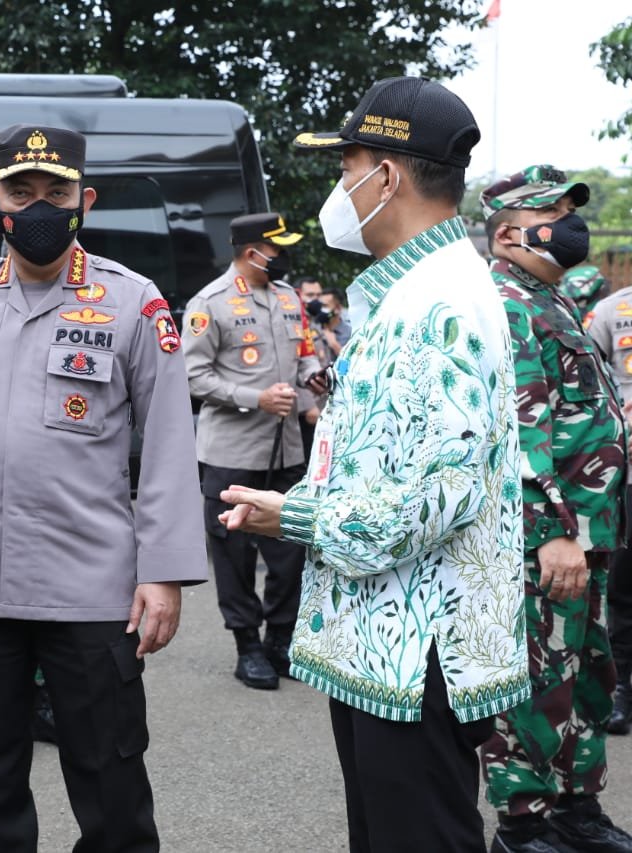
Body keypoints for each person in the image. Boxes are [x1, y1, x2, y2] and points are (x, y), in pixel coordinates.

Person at [0, 123, 206, 852]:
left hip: (91, 590)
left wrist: (164, 571)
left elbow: (170, 446)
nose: (38, 206)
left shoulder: (132, 301)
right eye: (19, 191)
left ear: (84, 199)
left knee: (112, 787)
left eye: (55, 192)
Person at [221, 76, 530, 851]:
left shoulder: (445, 302)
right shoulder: (409, 291)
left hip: (422, 653)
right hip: (387, 647)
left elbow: (433, 494)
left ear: (385, 175)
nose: (338, 187)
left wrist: (288, 511)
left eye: (344, 165)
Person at [478, 165, 632, 852]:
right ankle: (526, 819)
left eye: (572, 210)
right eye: (552, 213)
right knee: (536, 675)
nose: (569, 224)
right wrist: (551, 533)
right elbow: (517, 432)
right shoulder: (506, 302)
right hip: (549, 535)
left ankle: (575, 807)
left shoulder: (550, 296)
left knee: (584, 672)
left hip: (585, 530)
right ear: (508, 231)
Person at [181, 212, 323, 690]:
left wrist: (311, 387)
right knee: (234, 553)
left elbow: (304, 354)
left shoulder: (288, 297)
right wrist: (254, 399)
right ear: (251, 252)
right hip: (232, 451)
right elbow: (192, 374)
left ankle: (280, 640)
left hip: (285, 449)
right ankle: (247, 645)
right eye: (277, 248)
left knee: (291, 548)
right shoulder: (210, 304)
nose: (283, 257)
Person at [585, 279, 632, 738]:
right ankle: (623, 692)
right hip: (627, 475)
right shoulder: (612, 311)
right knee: (623, 589)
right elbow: (585, 385)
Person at [293, 276, 334, 478]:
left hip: (322, 402)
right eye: (310, 295)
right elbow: (296, 367)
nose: (316, 300)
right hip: (305, 408)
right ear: (299, 295)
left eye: (318, 295)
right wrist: (308, 404)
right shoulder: (296, 323)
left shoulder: (317, 323)